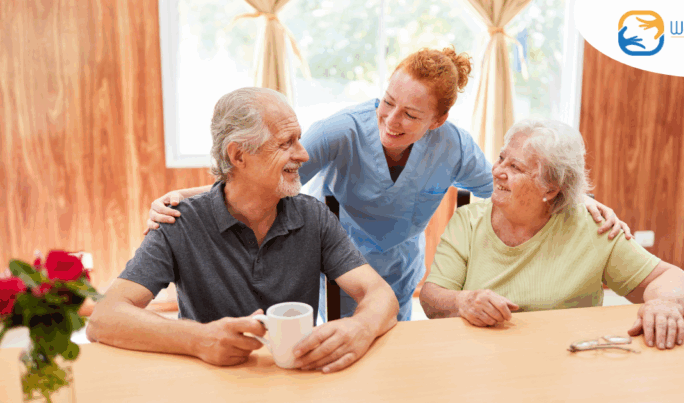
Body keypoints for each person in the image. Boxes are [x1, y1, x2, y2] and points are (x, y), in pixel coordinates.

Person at [144, 47, 631, 321]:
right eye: (387, 102)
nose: (391, 120)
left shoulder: (455, 146)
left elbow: (508, 185)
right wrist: (185, 198)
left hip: (398, 266)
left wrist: (581, 202)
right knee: (328, 338)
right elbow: (265, 175)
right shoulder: (340, 131)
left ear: (437, 121)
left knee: (388, 344)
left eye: (411, 114)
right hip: (333, 258)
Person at [87, 88, 399, 373]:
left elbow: (380, 294)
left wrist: (361, 328)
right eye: (285, 143)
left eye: (299, 139)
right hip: (209, 382)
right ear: (238, 155)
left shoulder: (313, 216)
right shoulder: (178, 223)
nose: (303, 154)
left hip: (295, 379)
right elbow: (104, 318)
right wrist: (198, 339)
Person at [419, 119, 684, 350]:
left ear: (550, 189)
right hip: (480, 358)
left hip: (567, 360)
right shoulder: (468, 221)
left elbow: (669, 277)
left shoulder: (592, 227)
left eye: (515, 167)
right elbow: (431, 299)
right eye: (501, 158)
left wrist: (664, 303)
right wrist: (463, 302)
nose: (498, 171)